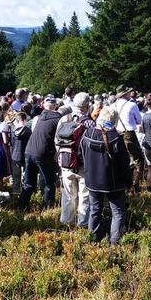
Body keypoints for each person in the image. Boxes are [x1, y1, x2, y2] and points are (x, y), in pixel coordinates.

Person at [79, 106, 132, 244]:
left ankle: (93, 240)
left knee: (94, 210)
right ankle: (114, 243)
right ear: (114, 120)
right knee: (118, 212)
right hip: (114, 183)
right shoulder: (116, 138)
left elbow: (81, 155)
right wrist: (128, 182)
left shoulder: (87, 134)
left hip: (92, 180)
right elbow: (124, 164)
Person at [56, 92, 96, 227]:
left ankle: (66, 222)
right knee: (84, 196)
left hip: (66, 163)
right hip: (83, 165)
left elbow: (57, 141)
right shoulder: (90, 123)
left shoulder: (64, 119)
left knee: (67, 195)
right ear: (88, 105)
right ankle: (83, 224)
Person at [18, 96, 62, 211]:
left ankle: (21, 207)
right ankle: (48, 209)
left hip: (29, 151)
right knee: (49, 183)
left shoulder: (40, 116)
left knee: (28, 183)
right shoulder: (58, 119)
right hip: (43, 153)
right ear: (56, 106)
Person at [114, 86, 144, 193]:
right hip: (129, 133)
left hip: (116, 134)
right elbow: (139, 120)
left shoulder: (113, 105)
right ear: (125, 94)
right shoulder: (132, 105)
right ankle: (134, 185)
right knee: (138, 160)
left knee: (122, 160)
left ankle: (124, 185)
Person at [10, 112, 31, 195]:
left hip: (15, 155)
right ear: (24, 119)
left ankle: (15, 193)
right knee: (26, 176)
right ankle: (25, 193)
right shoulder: (28, 130)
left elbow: (11, 142)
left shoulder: (13, 129)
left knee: (16, 177)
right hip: (25, 155)